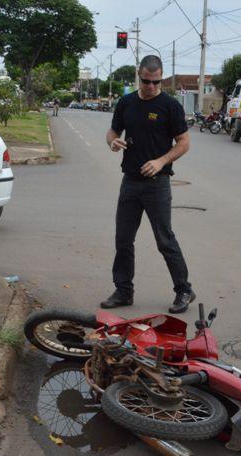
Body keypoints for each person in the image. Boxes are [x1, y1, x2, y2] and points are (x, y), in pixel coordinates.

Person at [102, 55, 195, 314]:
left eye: (156, 82)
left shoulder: (170, 106)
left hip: (157, 184)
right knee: (123, 240)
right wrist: (111, 141)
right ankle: (123, 290)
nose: (151, 86)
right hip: (130, 182)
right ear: (138, 77)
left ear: (161, 79)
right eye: (146, 81)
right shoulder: (126, 103)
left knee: (165, 240)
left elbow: (184, 142)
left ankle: (184, 290)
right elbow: (112, 131)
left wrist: (161, 161)